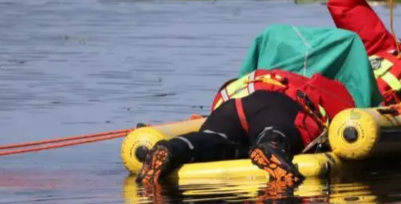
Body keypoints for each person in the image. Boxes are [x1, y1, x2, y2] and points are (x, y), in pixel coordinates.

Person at [136, 69, 356, 189]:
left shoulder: (253, 77)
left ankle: (174, 148)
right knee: (274, 129)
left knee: (213, 138)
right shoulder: (319, 86)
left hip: (229, 106)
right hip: (274, 103)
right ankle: (271, 144)